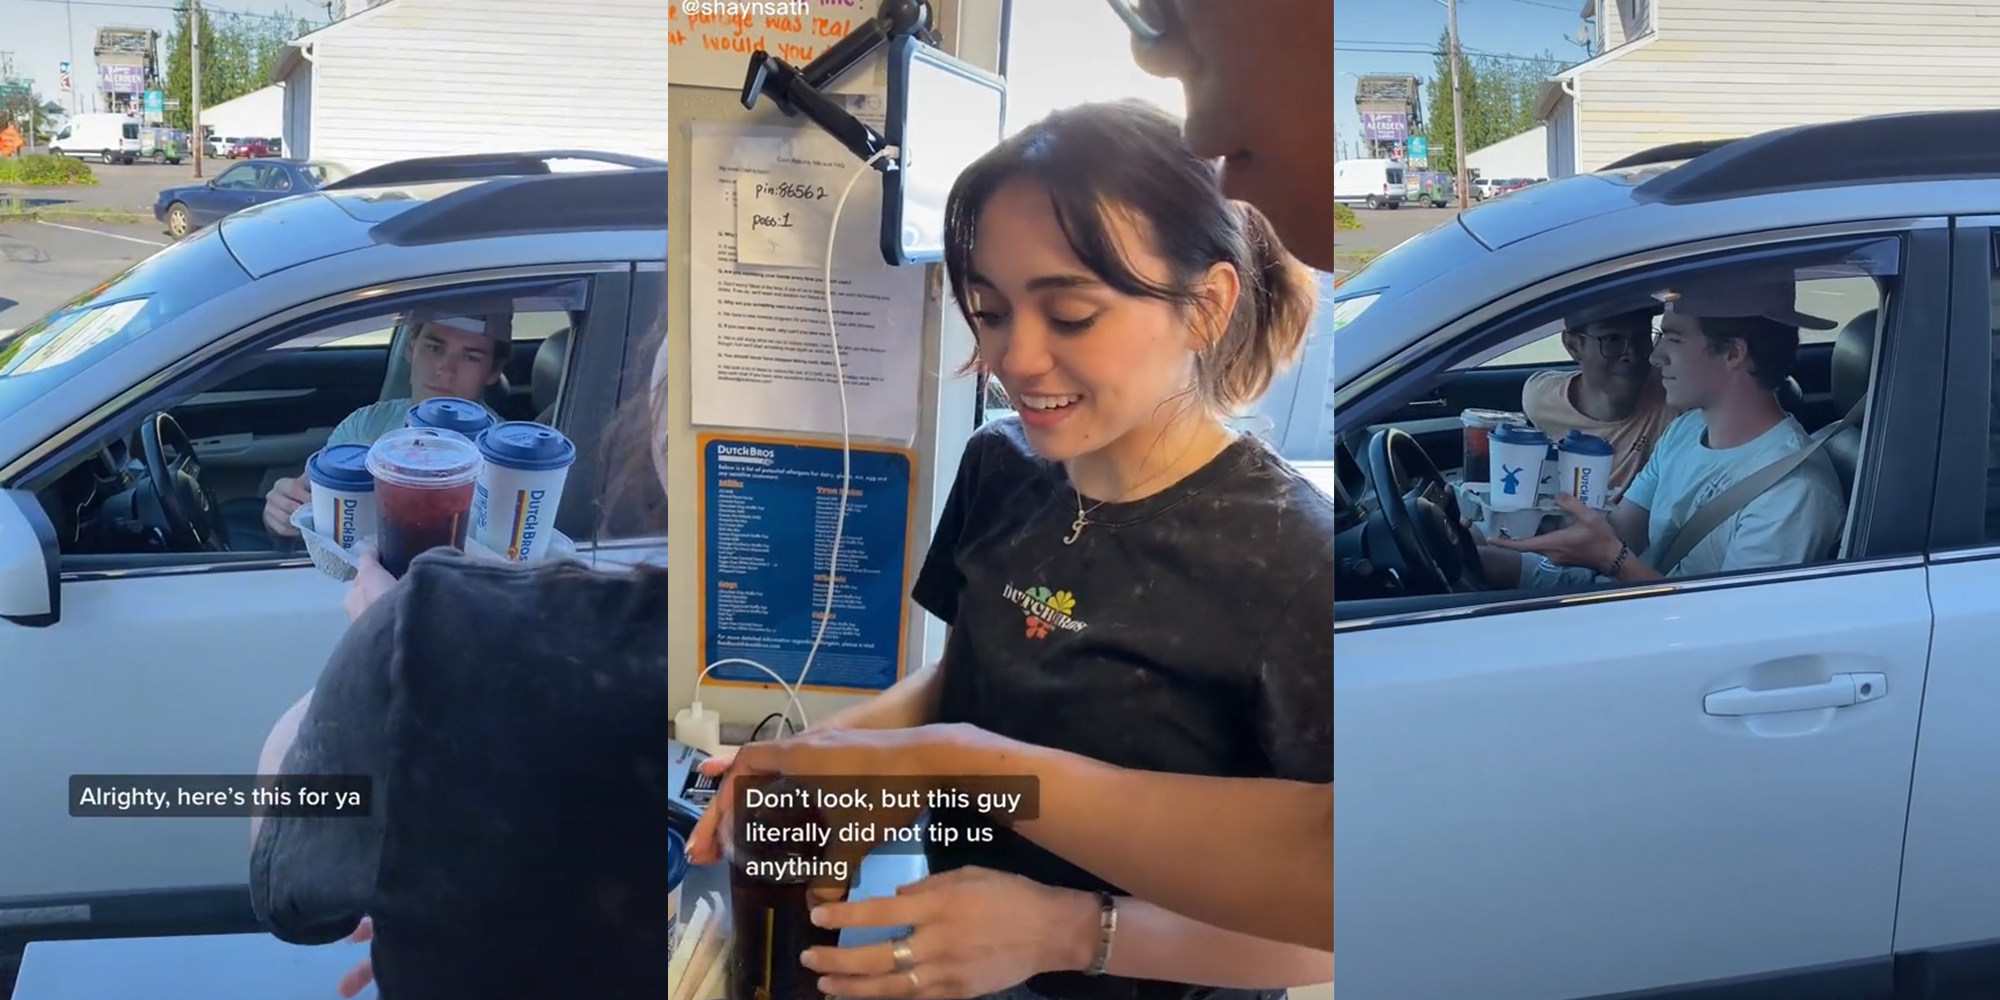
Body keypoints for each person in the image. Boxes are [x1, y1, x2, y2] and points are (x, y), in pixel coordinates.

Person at [689, 100, 1336, 999]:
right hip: (962, 965)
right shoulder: (1004, 463)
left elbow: (1332, 920)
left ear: (1207, 307)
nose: (1015, 359)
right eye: (990, 312)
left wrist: (1072, 932)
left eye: (1070, 314)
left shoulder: (1295, 562)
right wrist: (831, 758)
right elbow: (971, 680)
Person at [247, 331, 679, 999]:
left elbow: (289, 897)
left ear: (657, 435)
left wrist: (388, 641)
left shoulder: (433, 626)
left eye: (472, 353)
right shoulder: (828, 675)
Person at [1485, 279, 1848, 588]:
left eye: (1673, 338)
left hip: (1666, 638)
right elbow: (1621, 530)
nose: (1654, 355)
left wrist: (1615, 560)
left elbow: (1730, 632)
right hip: (1629, 599)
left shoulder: (1792, 493)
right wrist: (1515, 526)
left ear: (1733, 353)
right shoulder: (1687, 430)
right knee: (1480, 555)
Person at [259, 309, 511, 541]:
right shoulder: (367, 423)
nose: (446, 369)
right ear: (411, 349)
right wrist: (285, 512)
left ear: (493, 371)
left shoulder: (506, 459)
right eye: (434, 348)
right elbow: (316, 512)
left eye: (470, 357)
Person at [1523, 302, 1679, 496]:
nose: (1632, 353)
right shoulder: (1540, 398)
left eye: (1641, 337)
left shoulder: (1674, 395)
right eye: (1612, 339)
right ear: (1573, 346)